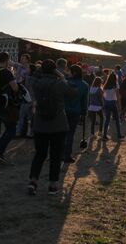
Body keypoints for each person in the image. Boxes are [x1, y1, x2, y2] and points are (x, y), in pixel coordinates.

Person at [28, 59, 77, 195]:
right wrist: (61, 76)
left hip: (40, 123)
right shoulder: (60, 83)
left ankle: (33, 181)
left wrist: (42, 70)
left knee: (39, 154)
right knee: (56, 155)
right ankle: (53, 185)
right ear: (55, 70)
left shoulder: (36, 83)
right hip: (58, 124)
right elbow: (73, 94)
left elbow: (33, 76)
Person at [0, 51, 20, 164]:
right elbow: (15, 88)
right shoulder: (6, 72)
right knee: (11, 129)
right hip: (4, 104)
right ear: (7, 60)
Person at [63, 64, 88, 164]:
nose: (68, 72)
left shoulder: (65, 82)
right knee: (70, 133)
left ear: (73, 73)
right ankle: (67, 155)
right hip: (76, 111)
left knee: (62, 133)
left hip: (64, 110)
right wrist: (84, 112)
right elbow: (84, 101)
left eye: (69, 71)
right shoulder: (84, 85)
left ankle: (60, 154)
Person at [101, 70, 123, 141]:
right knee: (117, 119)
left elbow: (103, 95)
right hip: (113, 102)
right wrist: (120, 106)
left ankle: (104, 135)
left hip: (106, 102)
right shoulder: (115, 85)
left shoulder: (105, 85)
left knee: (107, 120)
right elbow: (118, 96)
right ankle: (119, 134)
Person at [16, 53, 33, 137]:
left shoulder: (30, 68)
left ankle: (20, 132)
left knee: (24, 114)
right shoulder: (19, 67)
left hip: (27, 92)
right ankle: (27, 132)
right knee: (26, 114)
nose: (21, 59)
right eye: (21, 58)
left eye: (23, 58)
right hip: (21, 92)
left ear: (27, 60)